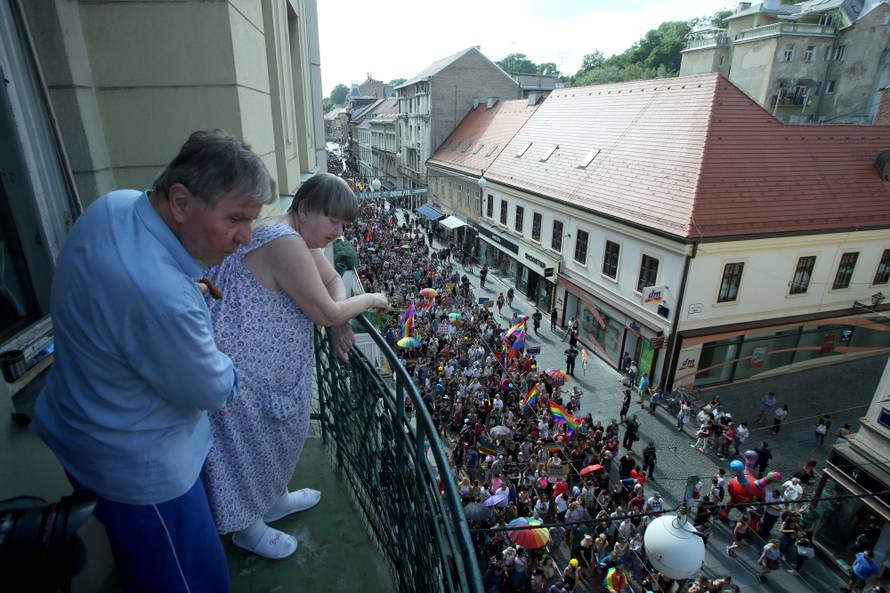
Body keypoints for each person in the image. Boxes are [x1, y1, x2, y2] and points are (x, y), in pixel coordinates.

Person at [31, 130, 276, 593]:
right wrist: (224, 350)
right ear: (180, 202)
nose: (245, 237)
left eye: (252, 220)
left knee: (141, 569)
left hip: (83, 432)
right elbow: (216, 388)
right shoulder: (163, 297)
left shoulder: (113, 206)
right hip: (143, 472)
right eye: (236, 218)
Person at [201, 173, 388, 559]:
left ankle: (273, 500)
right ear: (304, 210)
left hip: (267, 367)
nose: (338, 232)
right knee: (249, 443)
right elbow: (327, 310)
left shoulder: (297, 237)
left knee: (275, 437)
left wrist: (338, 317)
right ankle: (248, 528)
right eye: (332, 220)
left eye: (343, 223)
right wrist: (369, 299)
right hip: (245, 369)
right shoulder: (285, 242)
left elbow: (332, 282)